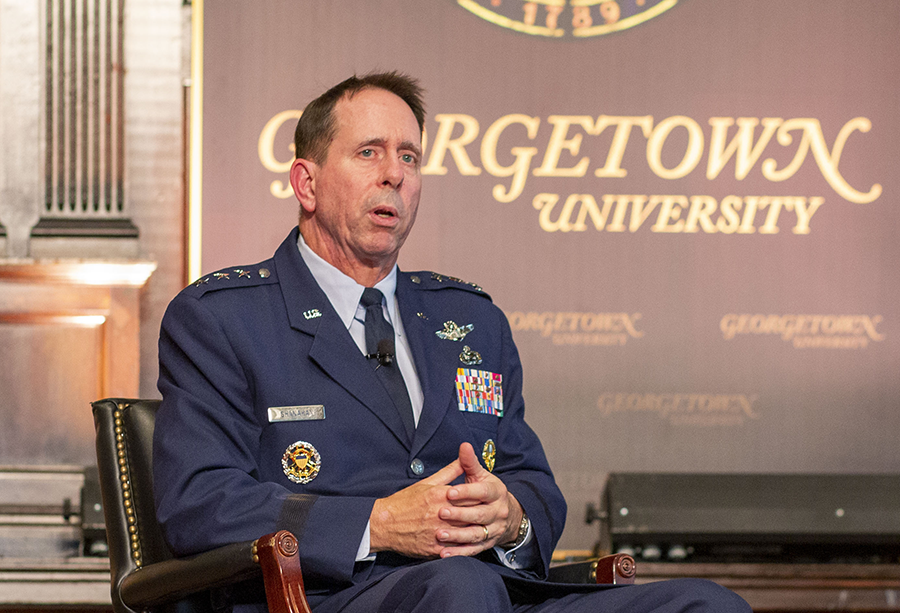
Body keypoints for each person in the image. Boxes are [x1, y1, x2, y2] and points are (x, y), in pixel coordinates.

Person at [153, 72, 750, 613]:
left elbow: (531, 480)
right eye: (369, 153)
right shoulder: (223, 319)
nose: (395, 173)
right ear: (306, 184)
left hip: (495, 592)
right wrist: (379, 523)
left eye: (409, 157)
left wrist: (511, 518)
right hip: (333, 598)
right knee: (462, 587)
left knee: (707, 605)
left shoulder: (470, 319)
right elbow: (200, 502)